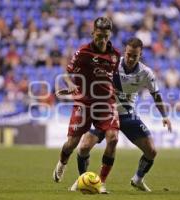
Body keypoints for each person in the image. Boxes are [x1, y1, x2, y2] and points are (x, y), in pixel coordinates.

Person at [70, 37, 172, 192]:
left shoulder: (146, 73)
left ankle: (137, 179)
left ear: (140, 55)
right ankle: (82, 179)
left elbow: (156, 95)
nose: (131, 58)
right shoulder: (112, 64)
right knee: (84, 147)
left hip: (126, 115)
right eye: (129, 54)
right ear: (125, 51)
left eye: (135, 56)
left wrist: (164, 116)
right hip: (105, 112)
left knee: (151, 151)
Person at [52, 17, 121, 194]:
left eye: (105, 36)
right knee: (71, 144)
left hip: (106, 103)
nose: (102, 40)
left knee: (113, 139)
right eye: (99, 36)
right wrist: (71, 85)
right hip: (84, 102)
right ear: (93, 33)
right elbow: (67, 73)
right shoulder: (83, 52)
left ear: (109, 34)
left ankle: (101, 182)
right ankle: (62, 163)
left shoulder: (115, 55)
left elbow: (114, 78)